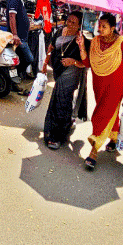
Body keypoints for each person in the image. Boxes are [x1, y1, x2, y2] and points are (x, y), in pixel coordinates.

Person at [77, 13, 123, 171]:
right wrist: (81, 46)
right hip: (98, 84)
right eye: (100, 25)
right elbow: (88, 63)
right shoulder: (96, 42)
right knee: (110, 112)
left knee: (101, 114)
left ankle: (94, 151)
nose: (100, 29)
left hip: (116, 85)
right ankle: (113, 139)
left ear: (113, 28)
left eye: (104, 26)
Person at [42, 12, 90, 150]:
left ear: (79, 25)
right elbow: (51, 49)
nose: (69, 24)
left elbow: (85, 63)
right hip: (58, 71)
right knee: (62, 101)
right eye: (68, 21)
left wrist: (73, 61)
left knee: (61, 101)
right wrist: (45, 64)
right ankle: (66, 124)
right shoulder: (58, 32)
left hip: (72, 73)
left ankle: (56, 136)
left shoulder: (82, 40)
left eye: (74, 23)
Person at [8, 0, 36, 80]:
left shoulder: (18, 0)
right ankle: (12, 76)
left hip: (22, 37)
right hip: (19, 37)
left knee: (20, 58)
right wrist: (15, 35)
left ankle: (14, 78)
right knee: (28, 58)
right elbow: (12, 16)